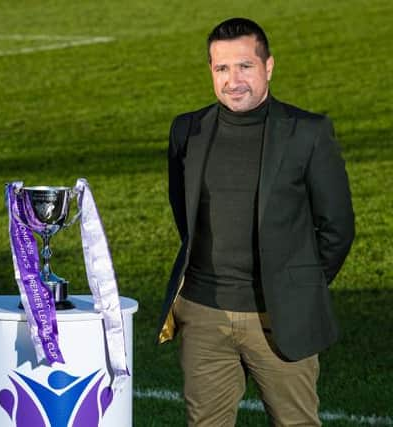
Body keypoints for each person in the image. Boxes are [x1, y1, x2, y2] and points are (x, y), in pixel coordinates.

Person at [156, 18, 355, 426]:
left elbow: (337, 226)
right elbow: (185, 214)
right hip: (203, 315)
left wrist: (298, 286)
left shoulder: (308, 133)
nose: (234, 80)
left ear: (268, 67)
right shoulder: (187, 130)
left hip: (277, 317)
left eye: (245, 66)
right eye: (222, 68)